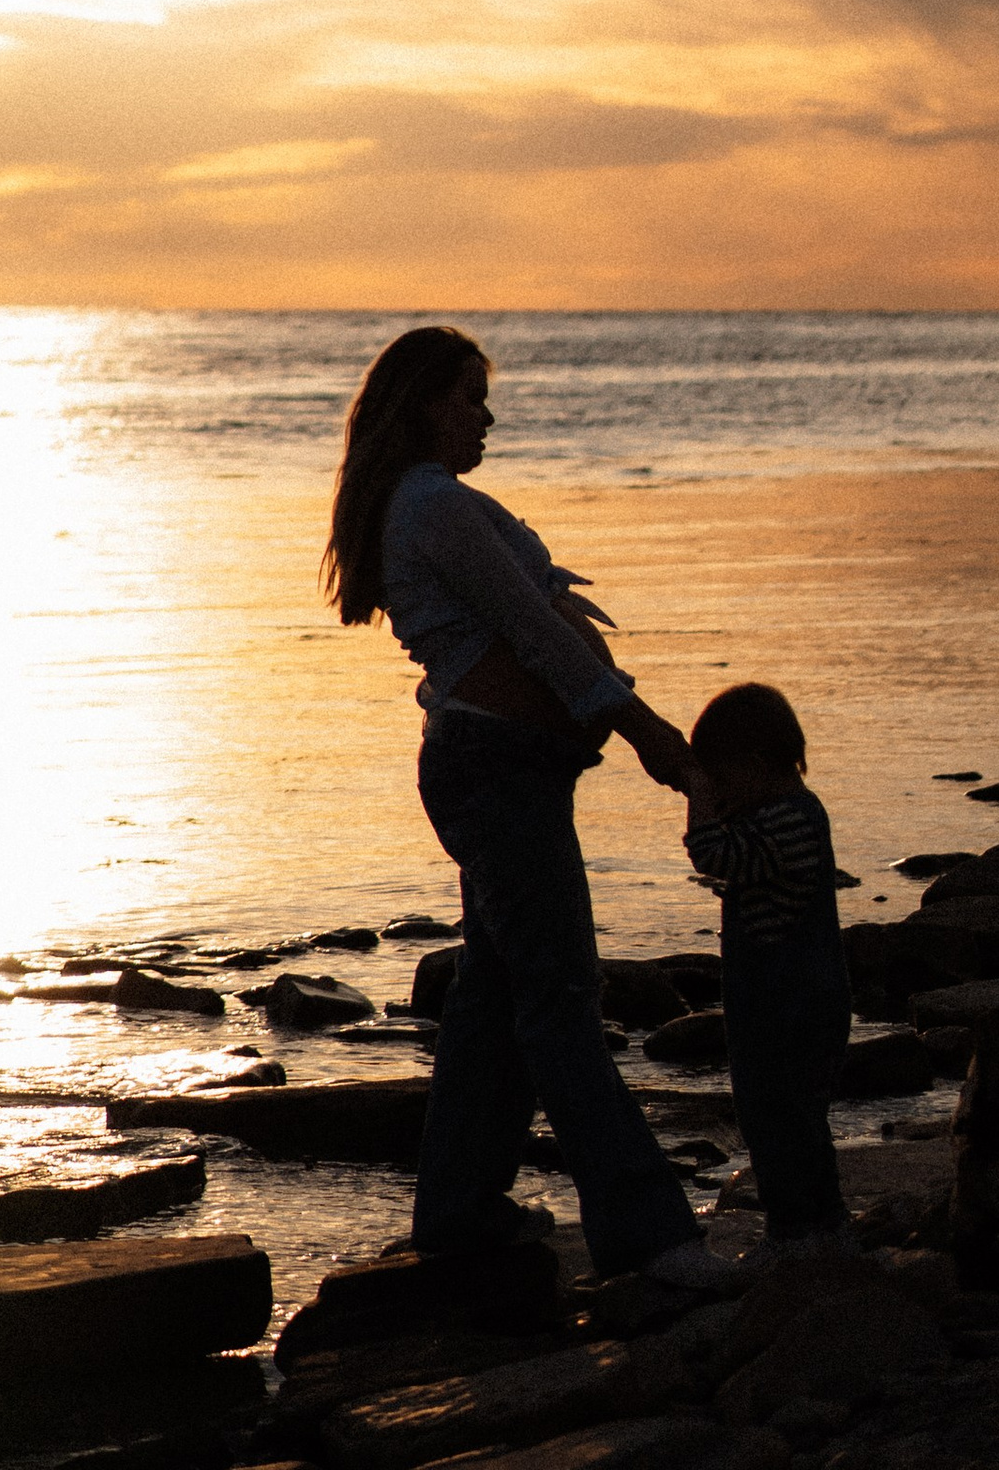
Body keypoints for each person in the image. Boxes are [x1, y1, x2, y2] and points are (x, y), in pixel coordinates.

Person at [325, 325, 732, 1290]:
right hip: (495, 772)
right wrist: (650, 734)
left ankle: (459, 1213)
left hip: (504, 768)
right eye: (470, 397)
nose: (487, 416)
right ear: (426, 404)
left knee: (497, 998)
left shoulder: (428, 502)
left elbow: (533, 629)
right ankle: (652, 1239)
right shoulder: (431, 504)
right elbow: (536, 634)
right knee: (558, 1002)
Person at [681, 681, 851, 1250]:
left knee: (782, 1122)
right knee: (788, 1121)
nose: (718, 791)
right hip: (786, 1000)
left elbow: (715, 854)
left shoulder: (788, 820)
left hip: (790, 1004)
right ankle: (815, 1227)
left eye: (721, 777)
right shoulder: (789, 813)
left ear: (754, 765)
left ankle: (801, 1231)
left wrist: (697, 795)